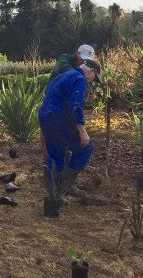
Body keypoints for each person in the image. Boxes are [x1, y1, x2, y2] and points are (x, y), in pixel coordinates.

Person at [38, 60, 100, 202]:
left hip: (45, 116)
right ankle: (64, 185)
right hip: (58, 117)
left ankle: (53, 194)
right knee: (85, 148)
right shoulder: (80, 79)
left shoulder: (63, 76)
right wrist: (82, 131)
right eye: (94, 78)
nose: (92, 82)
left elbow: (47, 98)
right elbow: (75, 106)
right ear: (90, 71)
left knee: (56, 153)